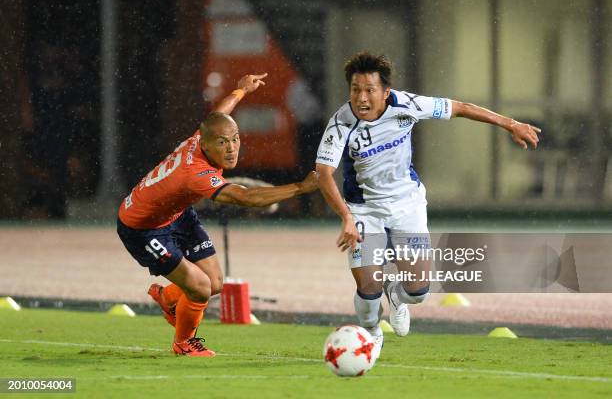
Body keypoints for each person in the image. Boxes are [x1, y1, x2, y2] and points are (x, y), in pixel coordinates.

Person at [315, 52, 540, 357]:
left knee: (418, 292)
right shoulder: (341, 123)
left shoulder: (407, 104)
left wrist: (509, 123)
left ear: (385, 91)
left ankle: (396, 295)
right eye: (355, 89)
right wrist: (346, 217)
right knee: (368, 286)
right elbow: (323, 173)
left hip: (407, 203)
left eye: (370, 90)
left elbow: (460, 108)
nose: (362, 98)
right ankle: (369, 334)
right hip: (364, 209)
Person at [117, 74, 319, 357]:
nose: (232, 148)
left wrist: (241, 90)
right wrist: (301, 187)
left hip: (175, 213)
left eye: (235, 140)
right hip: (142, 227)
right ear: (208, 145)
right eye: (224, 143)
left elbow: (219, 114)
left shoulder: (203, 135)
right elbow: (246, 198)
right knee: (199, 288)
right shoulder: (196, 173)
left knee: (214, 284)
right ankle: (184, 344)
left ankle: (168, 298)